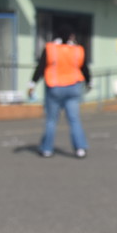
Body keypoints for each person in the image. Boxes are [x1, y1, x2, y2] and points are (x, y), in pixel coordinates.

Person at [28, 27, 90, 158]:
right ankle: (80, 149)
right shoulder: (77, 49)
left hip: (55, 87)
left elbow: (41, 67)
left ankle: (47, 149)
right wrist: (89, 82)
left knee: (51, 120)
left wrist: (32, 83)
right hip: (73, 87)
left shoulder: (51, 48)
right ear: (71, 36)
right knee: (74, 120)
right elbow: (84, 68)